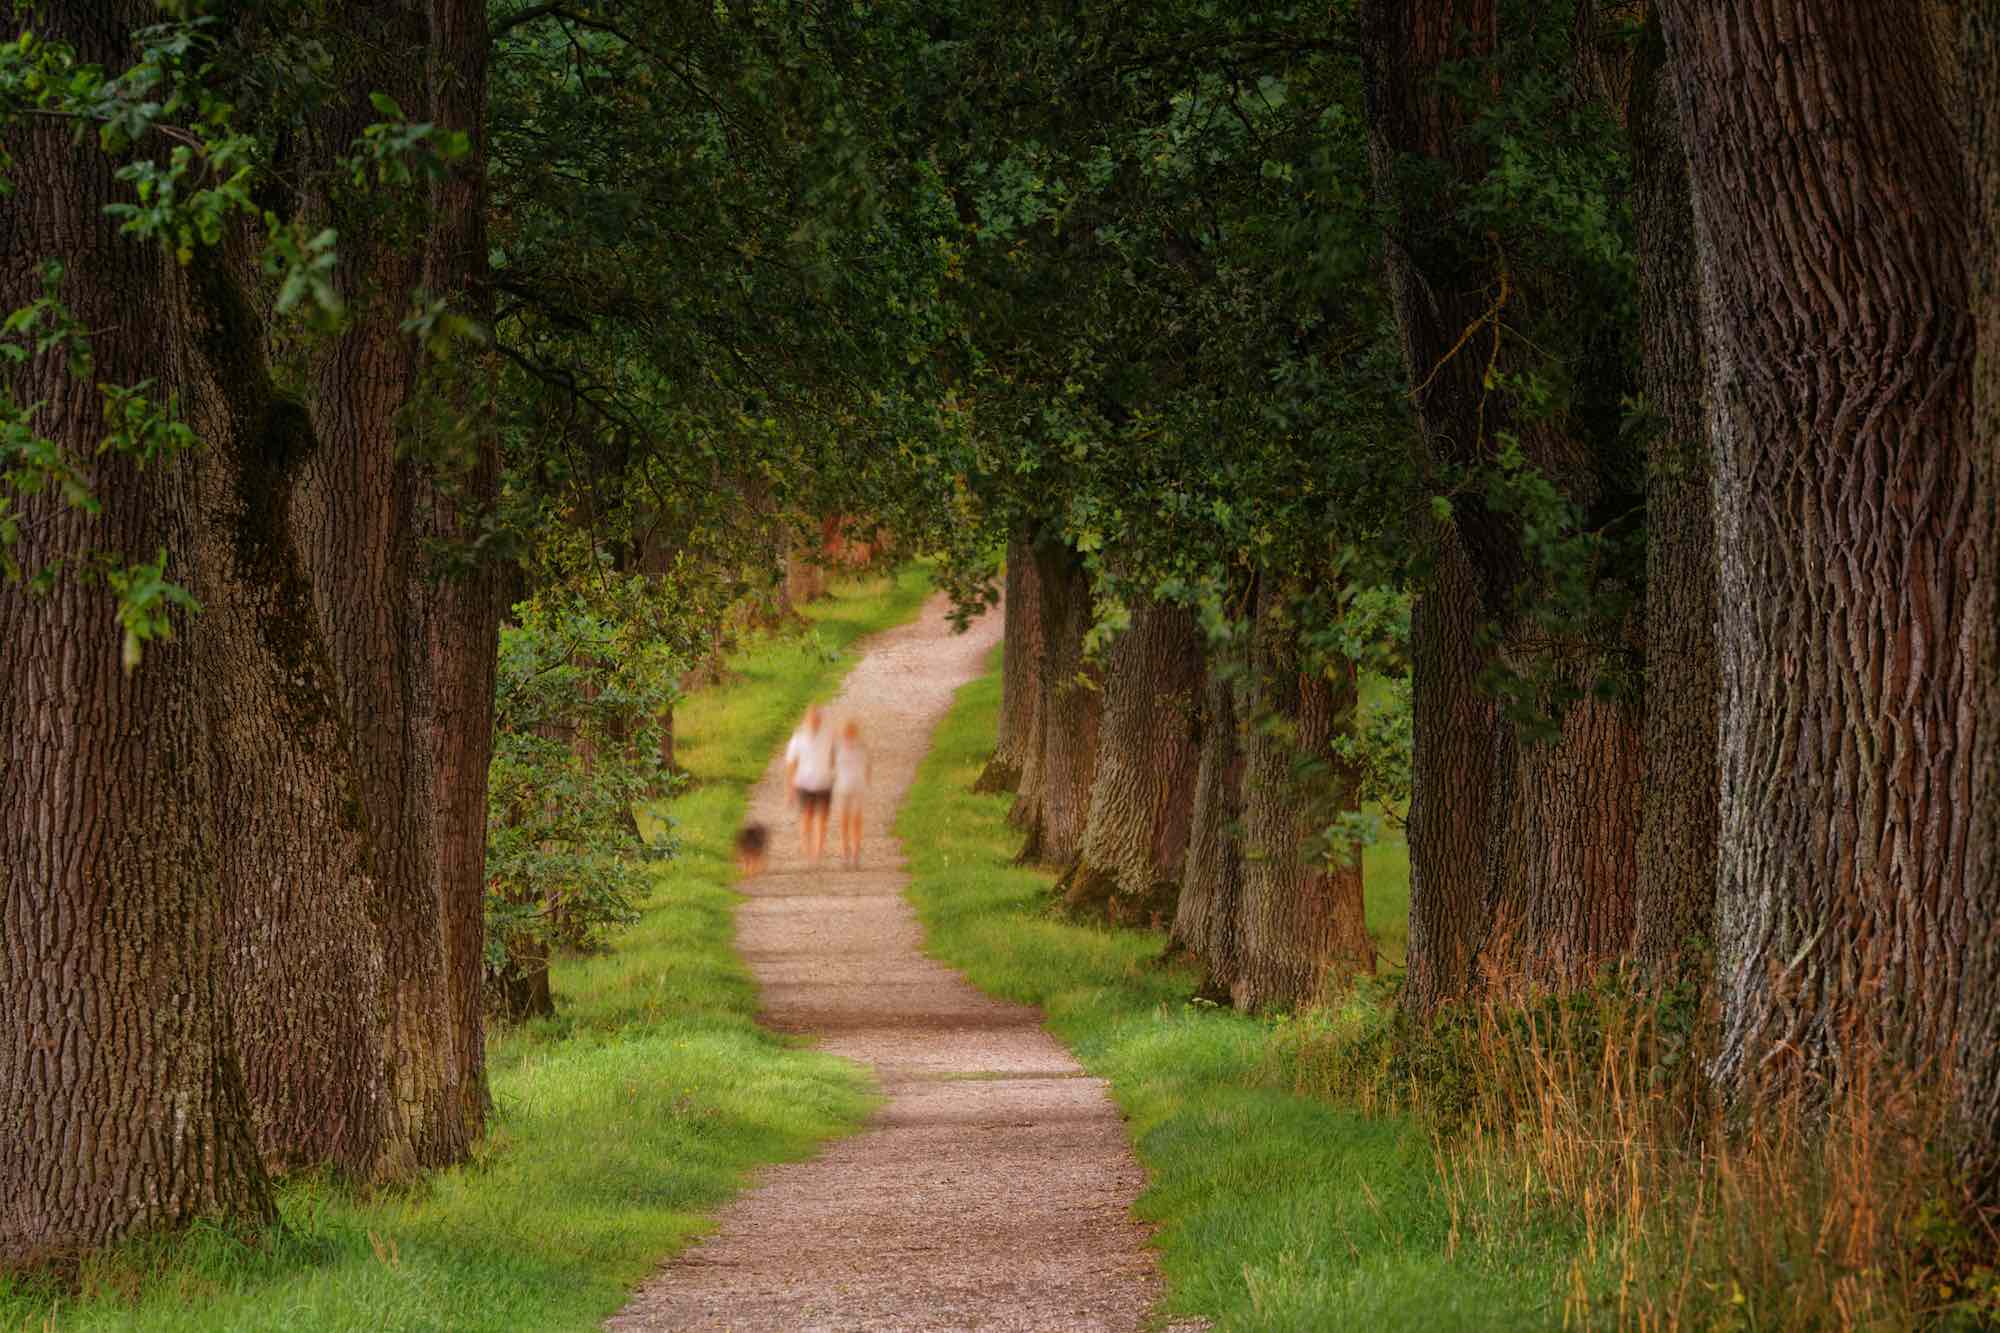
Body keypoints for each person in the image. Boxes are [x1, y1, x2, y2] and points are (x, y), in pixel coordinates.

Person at [783, 704, 836, 864]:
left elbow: (834, 755)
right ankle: (807, 849)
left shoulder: (828, 736)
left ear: (821, 720)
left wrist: (832, 772)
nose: (814, 722)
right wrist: (790, 788)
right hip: (804, 783)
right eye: (811, 719)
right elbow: (791, 763)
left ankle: (818, 850)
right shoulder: (798, 738)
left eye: (817, 719)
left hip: (824, 782)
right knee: (807, 816)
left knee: (823, 818)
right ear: (806, 720)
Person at [832, 718, 872, 868]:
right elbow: (831, 765)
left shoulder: (862, 747)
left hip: (857, 788)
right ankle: (845, 852)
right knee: (843, 821)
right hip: (842, 788)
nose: (848, 735)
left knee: (856, 821)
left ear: (855, 732)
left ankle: (855, 853)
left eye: (850, 732)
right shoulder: (837, 747)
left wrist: (866, 783)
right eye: (845, 732)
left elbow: (868, 766)